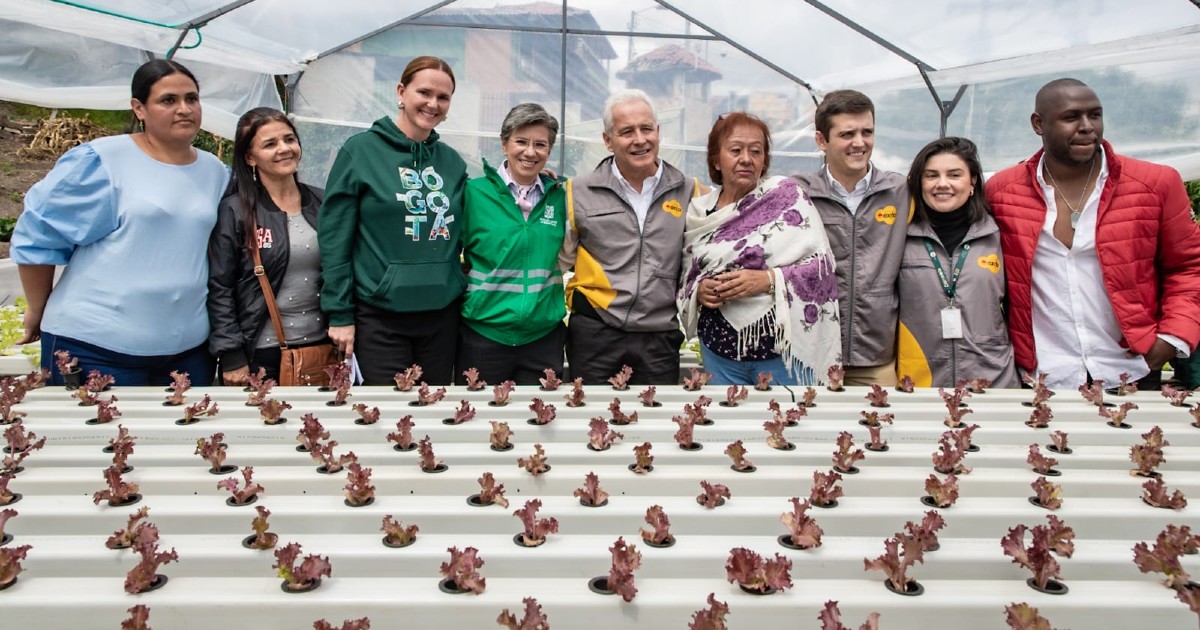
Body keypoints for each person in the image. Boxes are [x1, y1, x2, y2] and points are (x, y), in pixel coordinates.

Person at [11, 59, 228, 386]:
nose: (184, 109)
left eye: (192, 98)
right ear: (139, 108)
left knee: (183, 437)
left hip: (188, 349)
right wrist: (37, 308)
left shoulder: (215, 171)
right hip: (95, 345)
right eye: (168, 100)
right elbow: (38, 236)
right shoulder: (104, 161)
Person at [987, 78, 1200, 390]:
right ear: (1038, 124)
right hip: (1040, 375)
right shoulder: (1001, 191)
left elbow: (1189, 266)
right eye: (1071, 117)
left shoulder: (1156, 183)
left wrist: (1171, 338)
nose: (1087, 127)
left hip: (1133, 370)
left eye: (1095, 115)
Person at [319, 55, 468, 385]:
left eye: (443, 97)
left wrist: (532, 179)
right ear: (401, 92)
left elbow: (473, 222)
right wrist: (340, 313)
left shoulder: (452, 162)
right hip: (380, 317)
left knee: (434, 413)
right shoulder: (360, 153)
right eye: (424, 93)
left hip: (441, 316)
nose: (433, 104)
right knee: (387, 419)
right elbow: (335, 240)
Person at [679, 112, 840, 386]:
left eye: (756, 151)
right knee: (726, 426)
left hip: (781, 357)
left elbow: (822, 267)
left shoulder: (788, 197)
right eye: (735, 150)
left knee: (781, 425)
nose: (746, 159)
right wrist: (699, 292)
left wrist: (767, 280)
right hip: (718, 352)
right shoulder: (698, 211)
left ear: (764, 160)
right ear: (716, 159)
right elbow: (687, 275)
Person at [559, 89, 701, 385]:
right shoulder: (577, 191)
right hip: (595, 332)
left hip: (658, 334)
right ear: (607, 141)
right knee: (591, 421)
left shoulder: (689, 191)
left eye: (646, 128)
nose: (639, 139)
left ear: (658, 132)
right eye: (626, 132)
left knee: (655, 425)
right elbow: (560, 259)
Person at [793, 90, 908, 386]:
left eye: (867, 132)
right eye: (847, 134)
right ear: (822, 141)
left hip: (876, 357)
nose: (860, 142)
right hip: (811, 353)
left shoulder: (901, 191)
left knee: (878, 430)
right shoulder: (796, 194)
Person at [207, 108, 326, 385]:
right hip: (263, 352)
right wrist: (231, 354)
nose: (284, 149)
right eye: (270, 144)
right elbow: (220, 286)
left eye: (289, 139)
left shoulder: (321, 201)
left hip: (321, 347)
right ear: (250, 157)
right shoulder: (236, 211)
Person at [458, 103, 567, 385]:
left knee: (540, 422)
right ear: (504, 144)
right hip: (483, 336)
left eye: (540, 144)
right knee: (479, 421)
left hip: (543, 337)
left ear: (549, 152)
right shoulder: (473, 193)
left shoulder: (563, 195)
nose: (530, 152)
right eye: (521, 141)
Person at [896, 137, 1018, 388]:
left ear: (972, 180)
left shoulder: (999, 234)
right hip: (920, 383)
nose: (942, 184)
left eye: (954, 174)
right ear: (919, 182)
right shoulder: (899, 237)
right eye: (931, 176)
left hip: (992, 381)